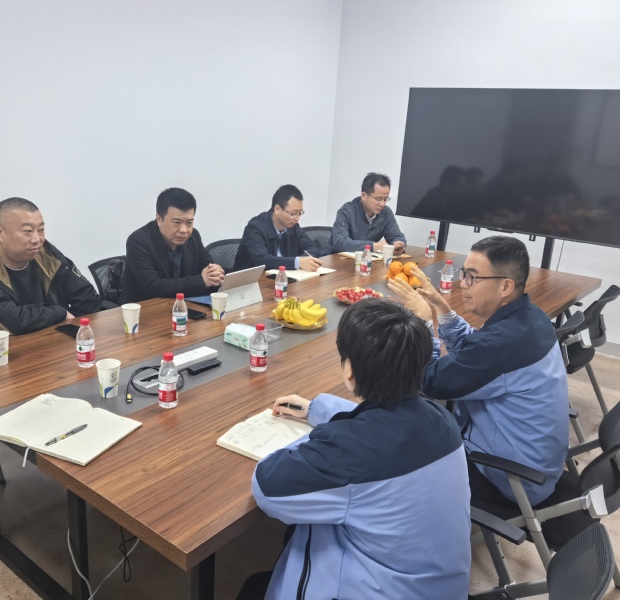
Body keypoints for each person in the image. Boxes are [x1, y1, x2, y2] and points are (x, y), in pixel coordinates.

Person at [239, 300, 471, 600]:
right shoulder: (442, 419)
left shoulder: (348, 450)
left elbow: (267, 486)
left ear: (349, 370)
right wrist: (318, 409)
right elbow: (386, 422)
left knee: (254, 586)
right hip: (440, 589)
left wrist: (327, 433)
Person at [386, 236, 569, 507]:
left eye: (473, 277)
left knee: (394, 438)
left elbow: (429, 381)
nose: (463, 284)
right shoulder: (530, 318)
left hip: (508, 479)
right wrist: (442, 308)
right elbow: (475, 351)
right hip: (536, 465)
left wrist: (423, 323)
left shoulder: (502, 344)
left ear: (505, 286)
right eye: (464, 274)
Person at [0, 197, 102, 335]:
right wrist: (60, 313)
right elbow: (12, 321)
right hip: (7, 348)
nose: (37, 239)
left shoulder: (45, 253)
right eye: (27, 231)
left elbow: (88, 299)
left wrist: (73, 330)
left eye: (41, 230)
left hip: (54, 338)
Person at [121, 187, 225, 303]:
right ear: (159, 219)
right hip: (147, 308)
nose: (184, 230)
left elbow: (208, 268)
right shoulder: (138, 241)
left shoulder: (193, 236)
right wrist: (201, 281)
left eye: (189, 222)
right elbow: (153, 287)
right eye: (177, 223)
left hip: (185, 305)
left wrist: (215, 273)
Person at [233, 184, 323, 272]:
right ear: (277, 209)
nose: (297, 218)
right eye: (293, 213)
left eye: (300, 213)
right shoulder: (255, 227)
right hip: (252, 279)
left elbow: (311, 247)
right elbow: (261, 259)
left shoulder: (293, 226)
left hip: (284, 277)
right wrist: (297, 262)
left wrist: (305, 261)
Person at [331, 172, 407, 253]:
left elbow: (396, 235)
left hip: (367, 258)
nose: (382, 204)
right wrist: (372, 246)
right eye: (378, 199)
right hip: (338, 258)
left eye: (385, 199)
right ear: (364, 196)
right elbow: (340, 243)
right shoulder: (347, 211)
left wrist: (398, 244)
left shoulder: (386, 213)